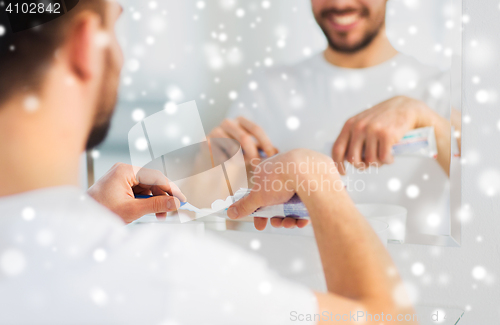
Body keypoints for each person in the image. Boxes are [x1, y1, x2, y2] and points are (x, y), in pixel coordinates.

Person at [0, 0, 418, 324]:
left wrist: (90, 214)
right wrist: (315, 175)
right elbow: (392, 317)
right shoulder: (167, 280)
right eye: (117, 23)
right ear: (87, 45)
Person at [211, 0, 461, 232]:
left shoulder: (441, 90)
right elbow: (214, 223)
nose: (340, 4)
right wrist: (210, 163)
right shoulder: (267, 88)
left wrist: (427, 119)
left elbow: (488, 207)